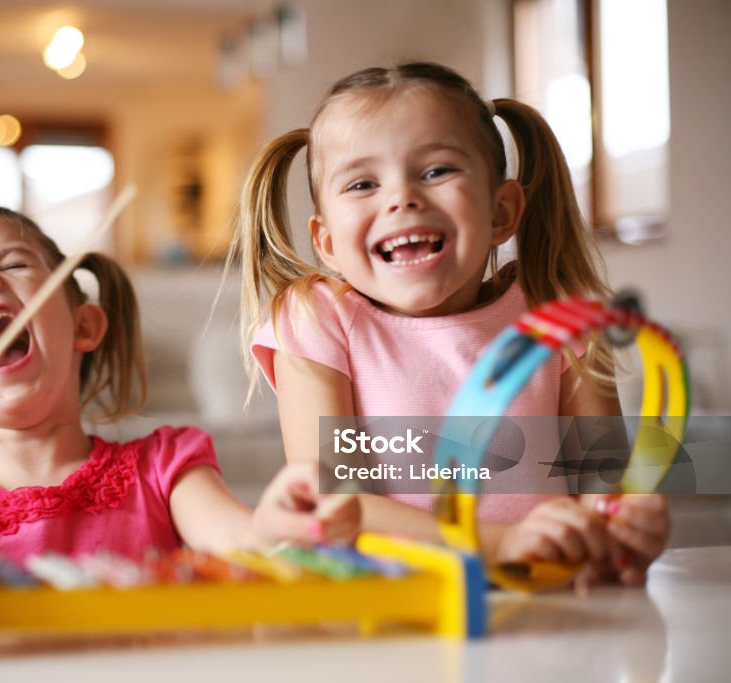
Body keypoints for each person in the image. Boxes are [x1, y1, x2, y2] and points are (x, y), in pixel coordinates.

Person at [229, 62, 668, 586]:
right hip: (398, 616)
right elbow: (335, 505)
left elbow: (604, 483)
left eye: (437, 171)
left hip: (550, 607)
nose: (402, 198)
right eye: (363, 183)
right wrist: (504, 544)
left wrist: (625, 528)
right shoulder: (316, 319)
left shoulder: (558, 314)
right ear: (327, 244)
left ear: (501, 212)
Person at [0, 204, 359, 582]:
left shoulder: (165, 466)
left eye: (11, 264)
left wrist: (275, 526)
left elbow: (241, 538)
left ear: (84, 327)